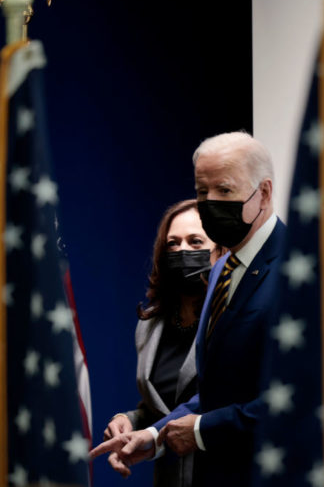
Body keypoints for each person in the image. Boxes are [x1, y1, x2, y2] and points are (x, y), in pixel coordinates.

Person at [92, 131, 286, 487]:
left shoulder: (300, 271)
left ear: (265, 193)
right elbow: (217, 392)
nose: (210, 203)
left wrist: (199, 430)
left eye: (224, 190)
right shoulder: (221, 273)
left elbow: (302, 398)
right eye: (202, 191)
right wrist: (152, 436)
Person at [103, 199, 223, 486]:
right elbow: (162, 408)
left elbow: (218, 401)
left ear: (220, 252)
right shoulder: (149, 325)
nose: (182, 251)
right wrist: (130, 421)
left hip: (221, 473)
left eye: (195, 242)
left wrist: (152, 432)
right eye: (173, 244)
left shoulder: (230, 318)